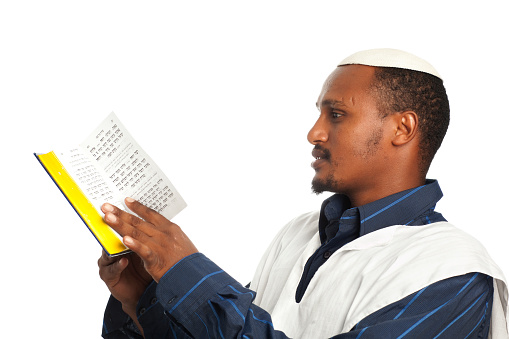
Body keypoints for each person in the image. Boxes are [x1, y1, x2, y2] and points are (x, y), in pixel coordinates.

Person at [98, 49, 508, 338]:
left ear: (402, 129)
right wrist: (143, 299)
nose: (314, 133)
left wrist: (187, 271)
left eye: (337, 114)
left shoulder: (453, 272)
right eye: (319, 113)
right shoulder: (299, 234)